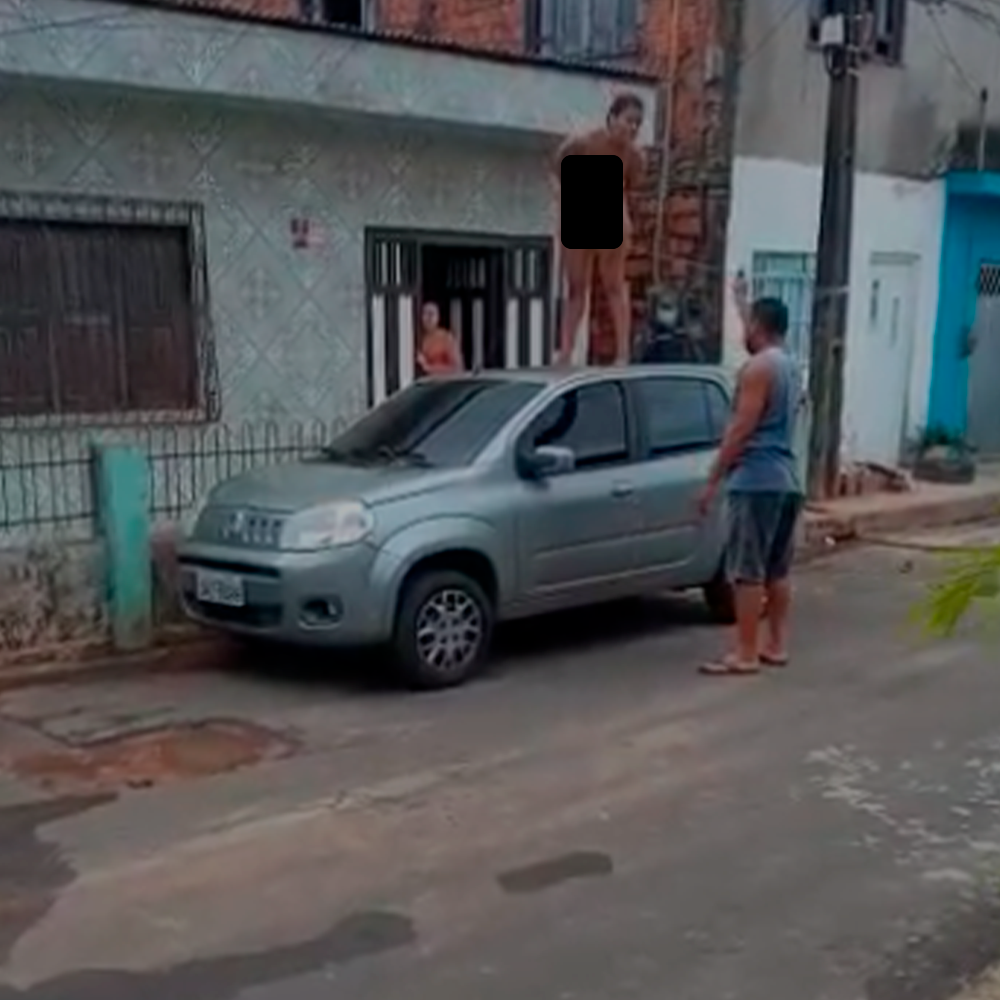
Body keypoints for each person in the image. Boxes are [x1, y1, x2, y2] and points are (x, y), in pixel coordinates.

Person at [697, 276, 804, 676]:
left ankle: (745, 652)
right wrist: (739, 300)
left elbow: (741, 428)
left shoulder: (756, 369)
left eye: (748, 323)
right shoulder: (790, 365)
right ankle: (775, 644)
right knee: (777, 569)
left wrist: (712, 479)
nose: (745, 330)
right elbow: (755, 336)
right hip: (787, 480)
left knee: (747, 572)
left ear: (759, 327)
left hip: (756, 480)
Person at [552, 92, 646, 368]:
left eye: (638, 124)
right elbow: (559, 165)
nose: (633, 128)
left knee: (614, 286)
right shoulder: (585, 142)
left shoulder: (634, 157)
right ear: (613, 118)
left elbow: (630, 189)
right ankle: (566, 352)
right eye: (629, 120)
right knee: (576, 287)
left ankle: (622, 354)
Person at [416, 302, 464, 377]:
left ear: (438, 317)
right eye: (425, 314)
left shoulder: (445, 338)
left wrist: (428, 367)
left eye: (432, 314)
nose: (429, 318)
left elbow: (456, 368)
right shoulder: (417, 338)